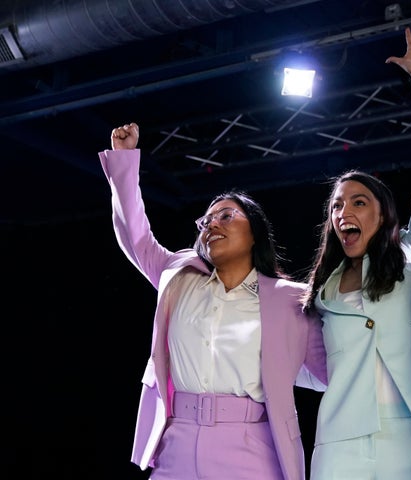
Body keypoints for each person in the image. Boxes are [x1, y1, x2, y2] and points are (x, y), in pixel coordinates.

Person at [98, 122, 327, 480]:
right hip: (177, 439)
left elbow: (332, 371)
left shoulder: (290, 299)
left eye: (226, 215)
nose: (211, 225)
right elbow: (135, 236)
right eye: (206, 220)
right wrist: (125, 162)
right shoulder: (177, 275)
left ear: (255, 233)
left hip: (251, 447)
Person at [300, 18, 411, 479]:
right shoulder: (319, 291)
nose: (345, 211)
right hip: (339, 441)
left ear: (383, 215)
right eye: (337, 205)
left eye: (359, 202)